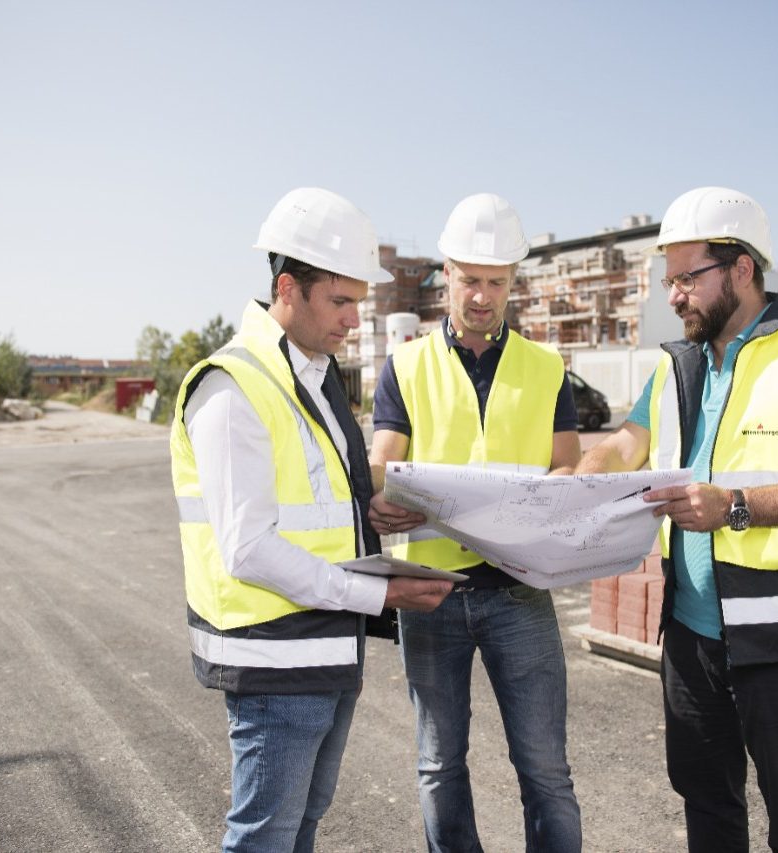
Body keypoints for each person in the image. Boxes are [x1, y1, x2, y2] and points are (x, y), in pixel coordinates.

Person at [575, 187, 778, 853]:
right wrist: (582, 472)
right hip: (690, 637)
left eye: (688, 278)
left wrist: (735, 508)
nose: (674, 295)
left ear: (740, 269)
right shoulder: (675, 366)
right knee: (707, 808)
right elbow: (627, 442)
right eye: (669, 281)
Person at [169, 187, 454, 853]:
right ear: (289, 288)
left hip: (325, 651)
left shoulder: (319, 378)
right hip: (272, 660)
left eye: (359, 300)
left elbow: (316, 502)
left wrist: (370, 512)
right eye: (341, 300)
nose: (355, 318)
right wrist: (378, 592)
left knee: (300, 828)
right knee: (264, 836)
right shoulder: (233, 385)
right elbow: (248, 549)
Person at [368, 192, 584, 852]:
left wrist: (549, 501)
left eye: (495, 282)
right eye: (469, 280)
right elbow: (382, 463)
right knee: (439, 764)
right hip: (429, 594)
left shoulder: (547, 369)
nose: (482, 296)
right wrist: (377, 499)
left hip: (520, 592)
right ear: (446, 273)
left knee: (545, 768)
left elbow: (569, 471)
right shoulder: (404, 365)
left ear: (514, 281)